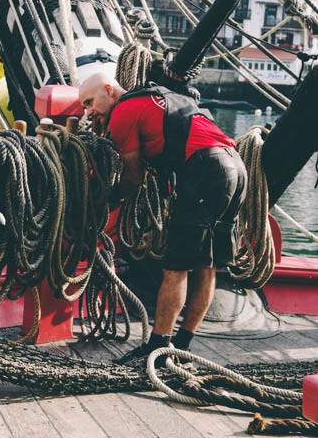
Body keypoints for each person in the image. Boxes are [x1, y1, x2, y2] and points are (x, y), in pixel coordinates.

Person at [78, 71, 247, 365]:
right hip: (235, 167)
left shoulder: (124, 112)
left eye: (90, 102)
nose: (88, 112)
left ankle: (157, 349)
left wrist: (104, 200)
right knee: (205, 265)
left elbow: (134, 176)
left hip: (205, 168)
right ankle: (180, 347)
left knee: (176, 268)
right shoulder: (161, 96)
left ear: (109, 89)